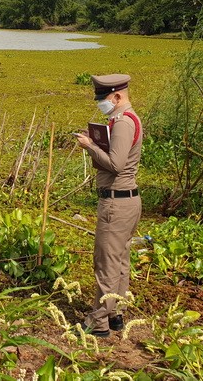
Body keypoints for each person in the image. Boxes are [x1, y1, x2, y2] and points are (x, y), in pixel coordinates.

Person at [74, 74, 143, 338]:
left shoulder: (124, 122)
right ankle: (115, 313)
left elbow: (116, 164)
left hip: (117, 202)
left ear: (117, 96)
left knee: (106, 264)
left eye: (103, 98)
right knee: (119, 260)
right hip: (124, 200)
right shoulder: (122, 120)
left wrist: (90, 146)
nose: (101, 103)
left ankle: (98, 322)